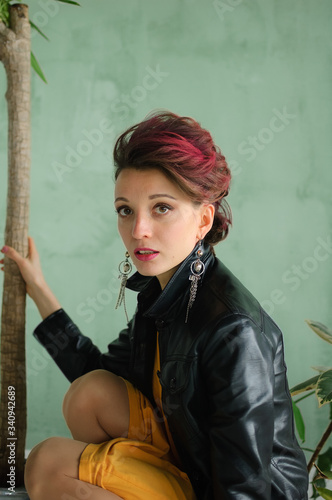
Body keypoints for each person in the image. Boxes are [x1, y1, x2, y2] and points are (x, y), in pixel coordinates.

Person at [0, 111, 308, 500]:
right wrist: (39, 290)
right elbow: (97, 376)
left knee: (47, 463)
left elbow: (246, 481)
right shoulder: (162, 294)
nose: (138, 229)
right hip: (187, 463)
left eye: (161, 207)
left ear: (203, 219)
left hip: (236, 491)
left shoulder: (234, 330)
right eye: (126, 210)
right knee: (89, 394)